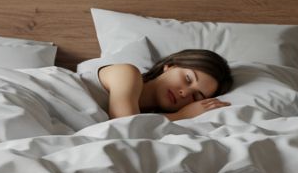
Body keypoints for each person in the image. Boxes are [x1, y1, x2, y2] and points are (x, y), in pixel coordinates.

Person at [97, 49, 233, 121]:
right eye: (187, 79)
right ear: (170, 66)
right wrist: (181, 116)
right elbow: (125, 127)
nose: (185, 93)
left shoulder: (154, 121)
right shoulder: (127, 73)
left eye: (196, 96)